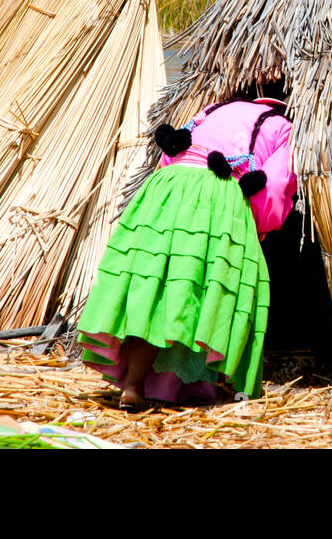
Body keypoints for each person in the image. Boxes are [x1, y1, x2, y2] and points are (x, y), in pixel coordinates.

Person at [76, 97, 296, 409]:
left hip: (165, 188)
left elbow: (174, 151)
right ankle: (219, 386)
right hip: (218, 193)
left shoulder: (212, 110)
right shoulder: (283, 127)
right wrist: (258, 225)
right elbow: (274, 186)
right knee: (212, 292)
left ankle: (134, 386)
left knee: (154, 285)